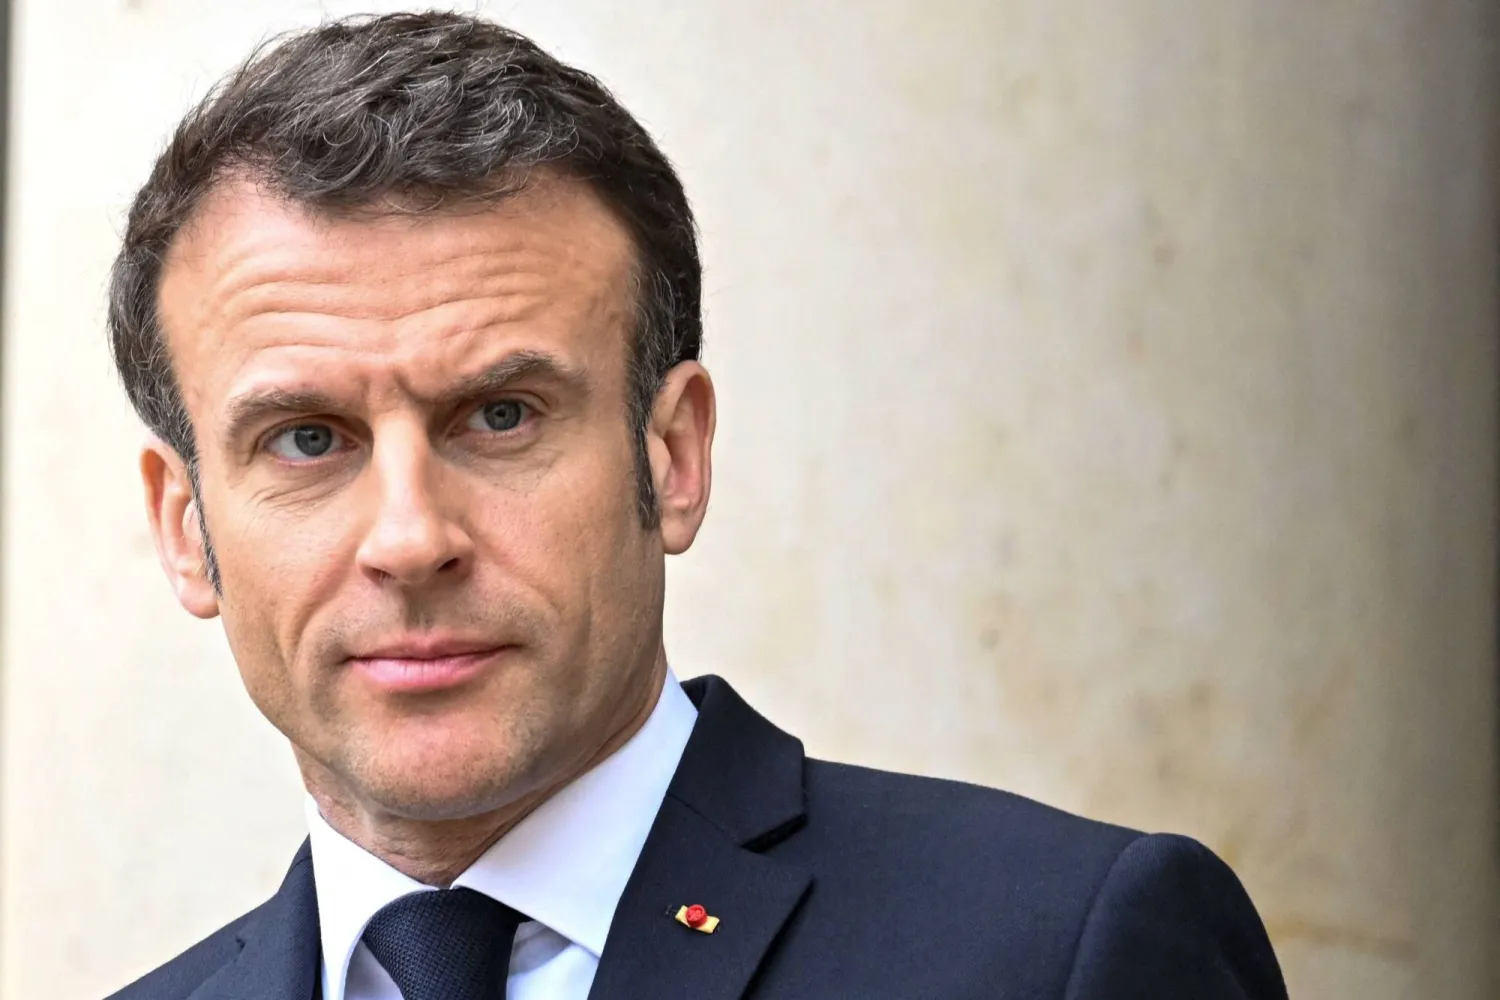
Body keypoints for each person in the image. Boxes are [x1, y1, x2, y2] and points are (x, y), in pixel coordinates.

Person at [103, 11, 1287, 1000]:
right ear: (186, 525)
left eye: (501, 416)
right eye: (308, 439)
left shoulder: (1062, 951)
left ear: (672, 455)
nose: (411, 540)